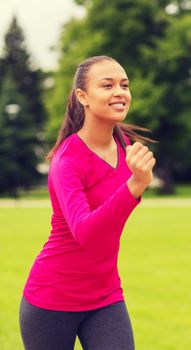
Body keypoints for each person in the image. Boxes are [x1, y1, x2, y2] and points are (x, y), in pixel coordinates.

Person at [19, 55, 156, 350]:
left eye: (124, 85)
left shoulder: (126, 147)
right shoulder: (67, 160)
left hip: (105, 296)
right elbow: (87, 233)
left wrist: (135, 184)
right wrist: (135, 186)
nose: (119, 92)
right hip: (52, 299)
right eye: (107, 85)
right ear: (83, 96)